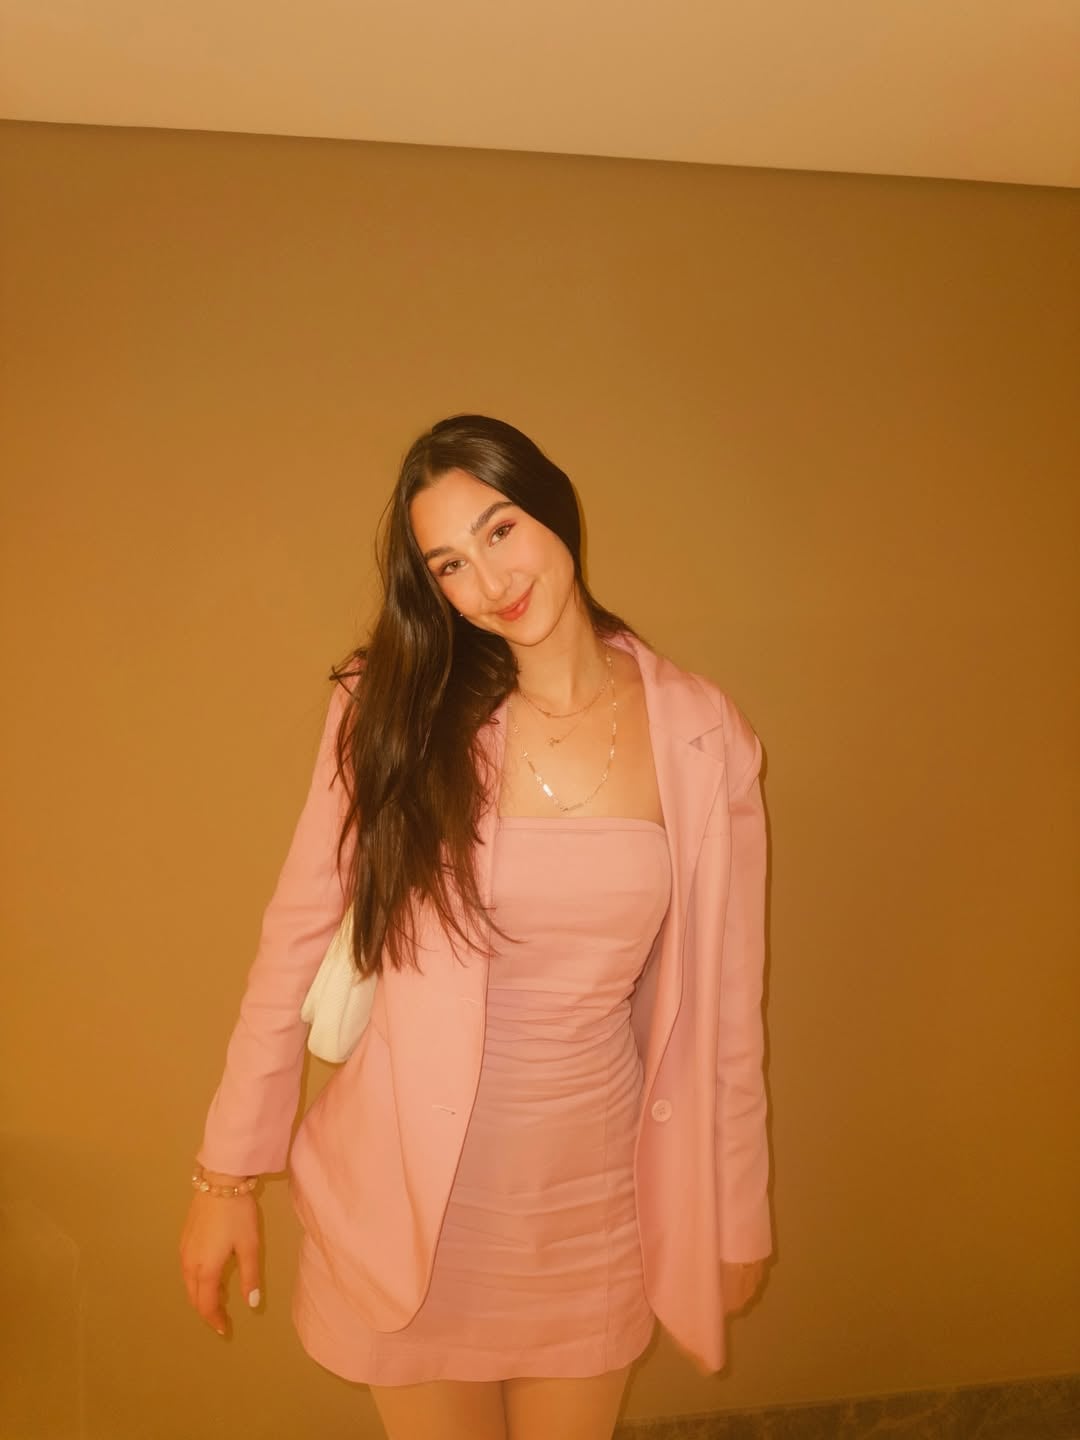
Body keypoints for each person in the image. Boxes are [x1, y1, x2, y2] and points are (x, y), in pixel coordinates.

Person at [180, 414, 772, 1440]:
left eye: (500, 530)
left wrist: (736, 1208)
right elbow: (293, 939)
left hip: (588, 1212)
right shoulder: (396, 711)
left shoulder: (702, 731)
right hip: (408, 1206)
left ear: (554, 510)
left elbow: (727, 1007)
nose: (489, 580)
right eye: (449, 564)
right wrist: (223, 1177)